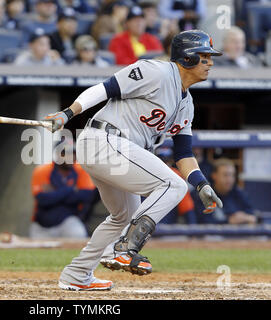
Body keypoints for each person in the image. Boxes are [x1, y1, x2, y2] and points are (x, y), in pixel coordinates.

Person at [44, 29, 223, 290]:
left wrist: (202, 184)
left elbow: (183, 153)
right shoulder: (157, 72)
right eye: (204, 56)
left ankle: (77, 273)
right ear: (187, 58)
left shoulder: (187, 103)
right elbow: (104, 89)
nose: (210, 62)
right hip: (103, 140)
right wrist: (68, 113)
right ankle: (125, 248)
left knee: (123, 215)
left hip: (117, 149)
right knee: (172, 185)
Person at [30, 138, 97, 239]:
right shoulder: (42, 170)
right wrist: (70, 189)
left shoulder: (81, 170)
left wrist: (55, 192)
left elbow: (88, 196)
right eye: (66, 153)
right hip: (42, 225)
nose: (71, 157)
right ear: (57, 154)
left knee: (78, 234)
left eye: (73, 153)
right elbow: (43, 200)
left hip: (68, 221)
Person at [191, 158, 257, 225]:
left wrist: (245, 217)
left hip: (238, 234)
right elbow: (204, 223)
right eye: (225, 175)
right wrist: (228, 221)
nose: (229, 180)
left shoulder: (238, 193)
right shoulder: (203, 194)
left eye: (232, 175)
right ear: (214, 176)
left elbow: (252, 215)